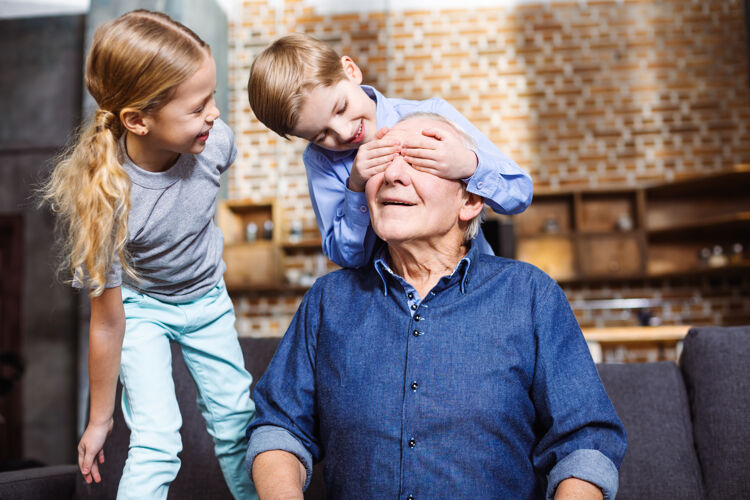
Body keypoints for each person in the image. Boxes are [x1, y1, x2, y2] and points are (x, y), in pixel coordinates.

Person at [245, 113, 626, 500]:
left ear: (471, 200)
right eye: (382, 158)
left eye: (417, 160)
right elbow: (279, 428)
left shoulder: (529, 295)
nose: (393, 174)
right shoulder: (328, 301)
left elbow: (585, 443)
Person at [42, 10, 256, 500]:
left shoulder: (215, 143)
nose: (215, 115)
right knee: (158, 439)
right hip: (143, 311)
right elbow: (107, 322)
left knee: (237, 426)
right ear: (138, 120)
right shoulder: (106, 200)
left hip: (207, 299)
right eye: (198, 106)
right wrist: (100, 419)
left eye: (214, 98)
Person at [247, 33, 533, 268]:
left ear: (351, 71)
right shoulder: (321, 161)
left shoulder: (432, 114)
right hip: (387, 304)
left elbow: (519, 195)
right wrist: (355, 188)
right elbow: (347, 258)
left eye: (341, 108)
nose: (344, 132)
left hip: (471, 281)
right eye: (321, 134)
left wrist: (469, 165)